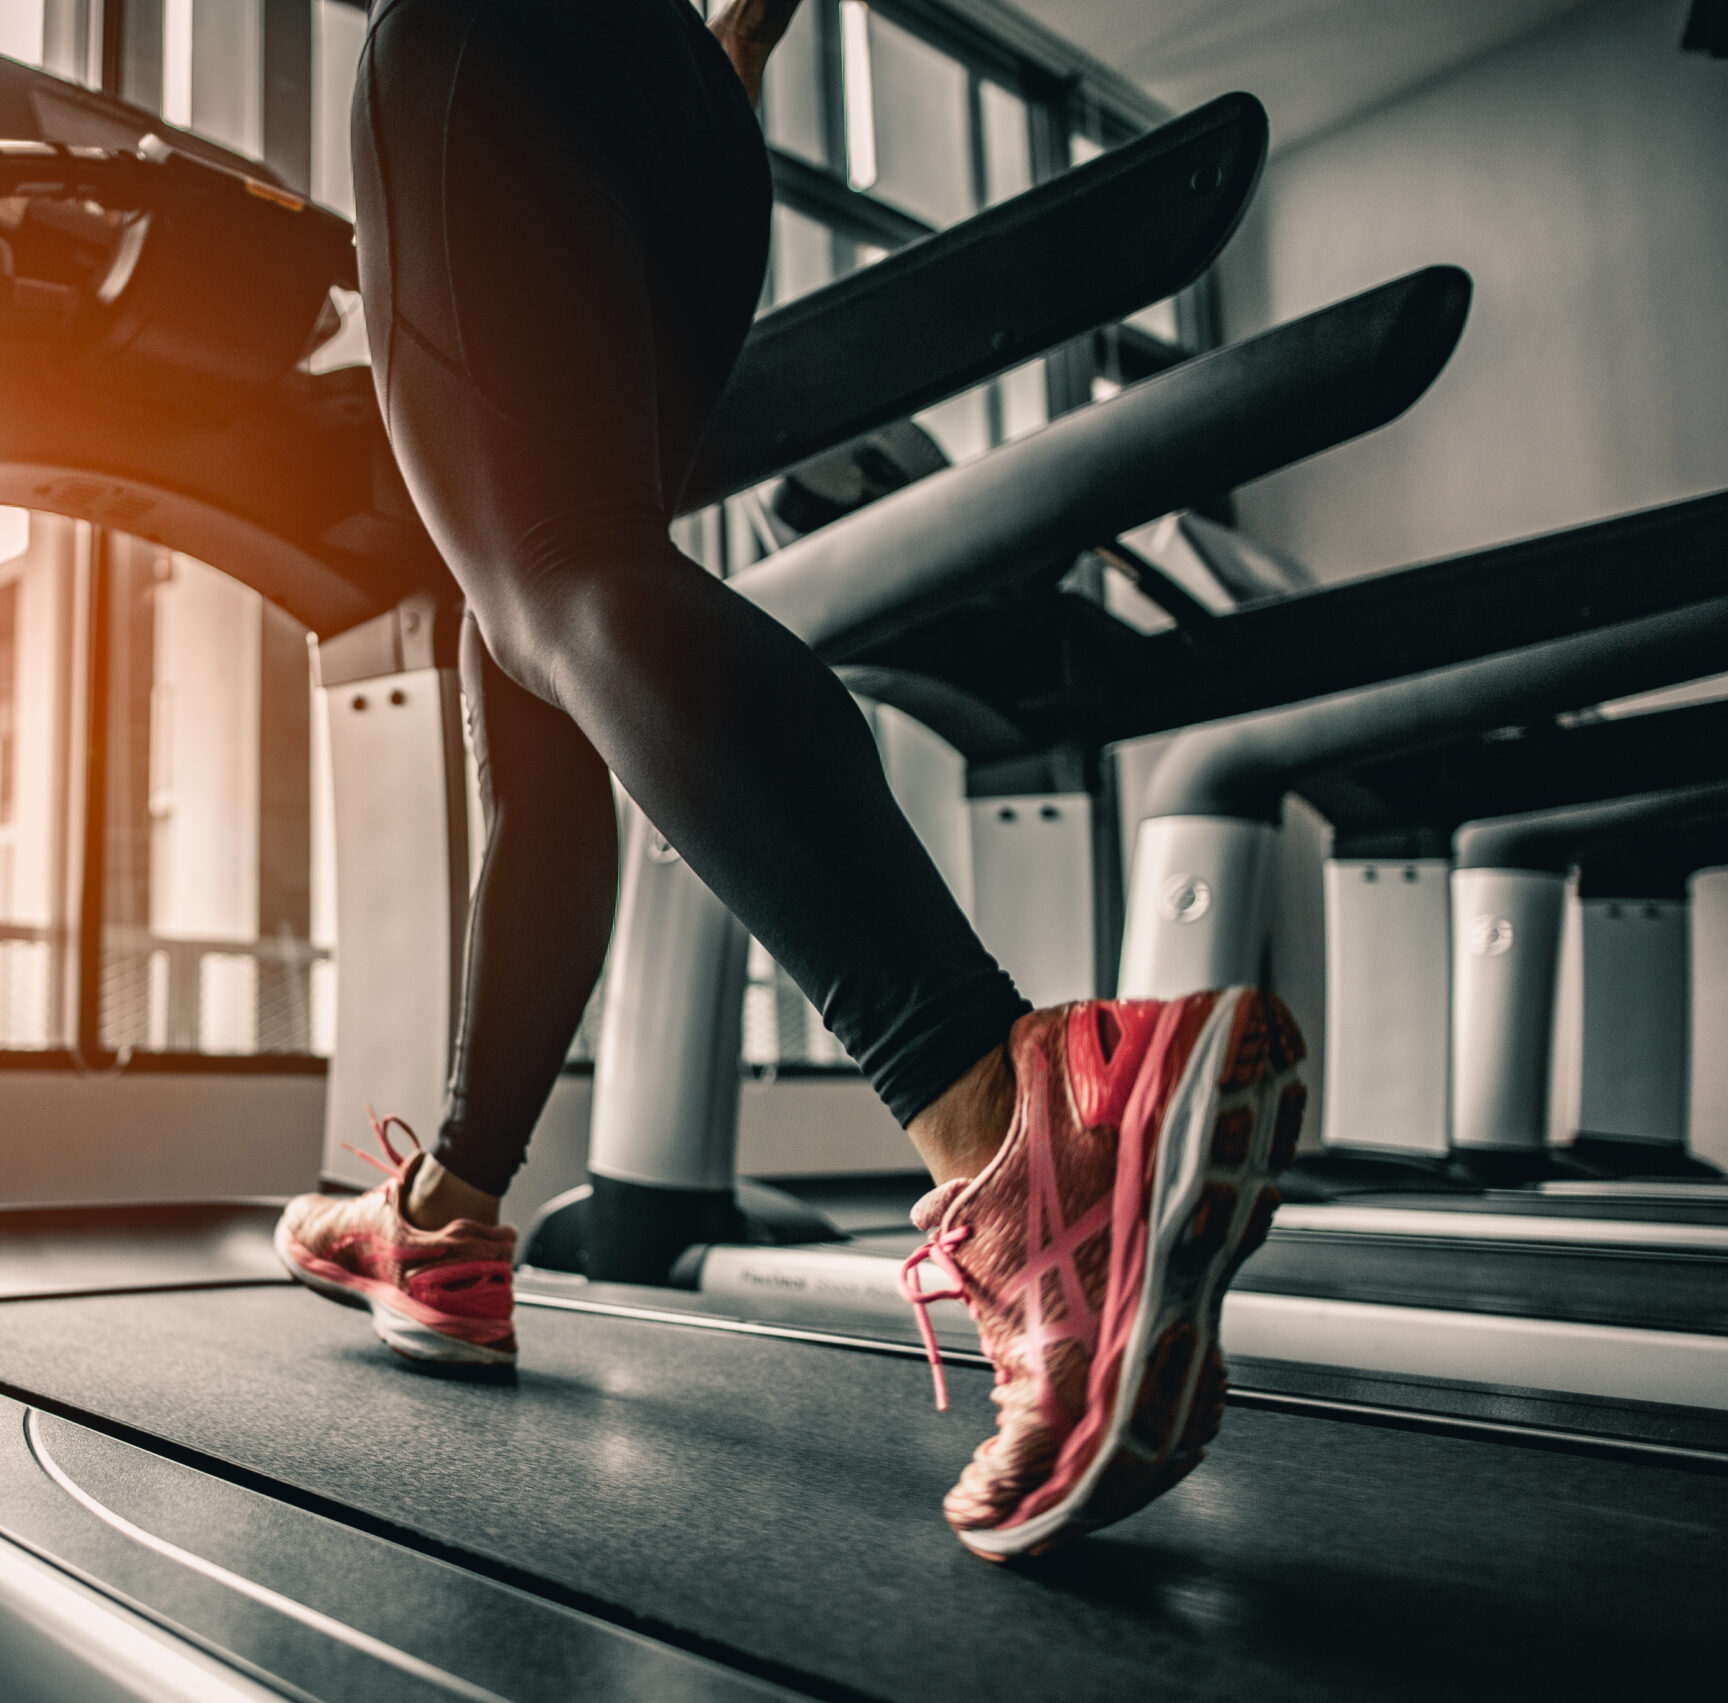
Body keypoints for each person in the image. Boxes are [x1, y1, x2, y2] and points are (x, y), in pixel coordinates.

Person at [274, 0, 1305, 1560]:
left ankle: (1018, 1135)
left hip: (490, 51)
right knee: (540, 643)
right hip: (698, 124)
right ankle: (449, 1219)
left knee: (549, 584)